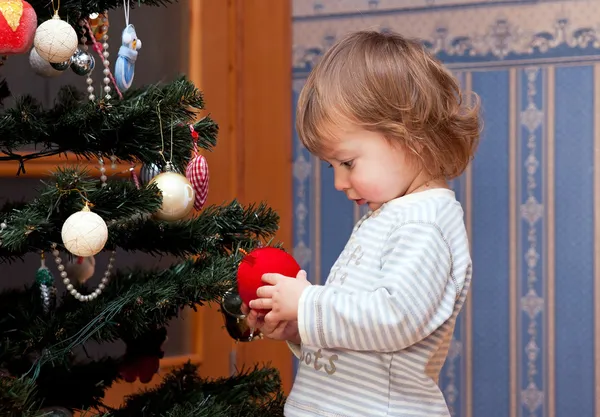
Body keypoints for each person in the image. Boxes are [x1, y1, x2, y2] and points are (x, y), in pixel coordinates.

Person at [245, 30, 481, 416]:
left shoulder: (424, 224)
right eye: (331, 167)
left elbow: (394, 319)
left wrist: (308, 303)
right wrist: (299, 328)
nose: (339, 183)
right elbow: (362, 338)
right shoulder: (392, 215)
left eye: (348, 163)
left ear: (411, 136)